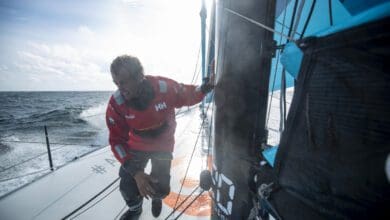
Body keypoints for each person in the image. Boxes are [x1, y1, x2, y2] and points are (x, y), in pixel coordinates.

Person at [105, 55, 214, 220]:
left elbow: (189, 94)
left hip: (163, 145)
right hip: (136, 145)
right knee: (127, 186)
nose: (120, 88)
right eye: (116, 83)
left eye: (124, 82)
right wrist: (136, 173)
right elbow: (116, 141)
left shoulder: (164, 88)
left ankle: (157, 198)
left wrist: (207, 86)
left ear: (139, 77)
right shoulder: (117, 103)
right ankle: (135, 210)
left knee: (162, 189)